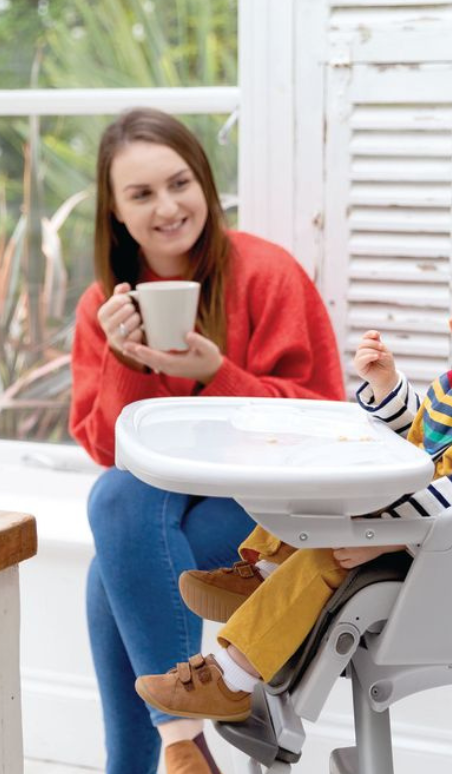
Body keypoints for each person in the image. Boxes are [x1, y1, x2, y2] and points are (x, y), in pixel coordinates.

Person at [134, 235, 452, 722]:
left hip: (432, 546)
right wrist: (386, 385)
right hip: (404, 518)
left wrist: (384, 534)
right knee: (314, 482)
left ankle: (230, 680)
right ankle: (263, 574)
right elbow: (420, 431)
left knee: (323, 558)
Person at [70, 107, 346, 774]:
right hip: (165, 504)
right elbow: (109, 452)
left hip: (270, 508)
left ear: (204, 184)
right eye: (141, 194)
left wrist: (217, 375)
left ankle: (168, 750)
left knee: (114, 560)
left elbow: (326, 423)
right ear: (116, 213)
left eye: (179, 183)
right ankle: (183, 744)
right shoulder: (105, 306)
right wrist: (123, 360)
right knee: (117, 503)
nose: (167, 208)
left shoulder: (266, 273)